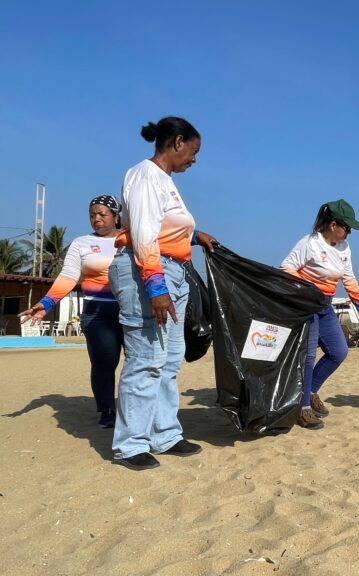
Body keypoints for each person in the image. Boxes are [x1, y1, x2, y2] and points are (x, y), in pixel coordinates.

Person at [109, 116, 216, 470]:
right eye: (194, 151)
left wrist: (195, 235)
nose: (194, 159)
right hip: (147, 270)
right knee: (146, 358)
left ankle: (164, 433)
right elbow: (143, 233)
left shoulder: (166, 182)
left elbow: (166, 224)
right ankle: (130, 443)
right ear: (178, 142)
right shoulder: (145, 175)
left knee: (169, 359)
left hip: (174, 271)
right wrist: (155, 287)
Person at [19, 195, 124, 428]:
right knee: (104, 362)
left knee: (137, 362)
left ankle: (134, 409)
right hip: (98, 313)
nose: (96, 219)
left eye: (102, 214)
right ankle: (107, 410)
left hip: (132, 311)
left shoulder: (131, 239)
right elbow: (68, 276)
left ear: (116, 216)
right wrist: (46, 303)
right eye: (92, 215)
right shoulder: (81, 243)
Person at [281, 199, 359, 430]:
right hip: (306, 304)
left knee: (338, 351)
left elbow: (349, 278)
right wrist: (307, 289)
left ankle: (310, 391)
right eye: (347, 227)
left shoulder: (344, 248)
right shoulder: (309, 243)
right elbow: (286, 268)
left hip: (325, 306)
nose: (349, 233)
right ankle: (302, 408)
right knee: (308, 356)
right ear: (333, 225)